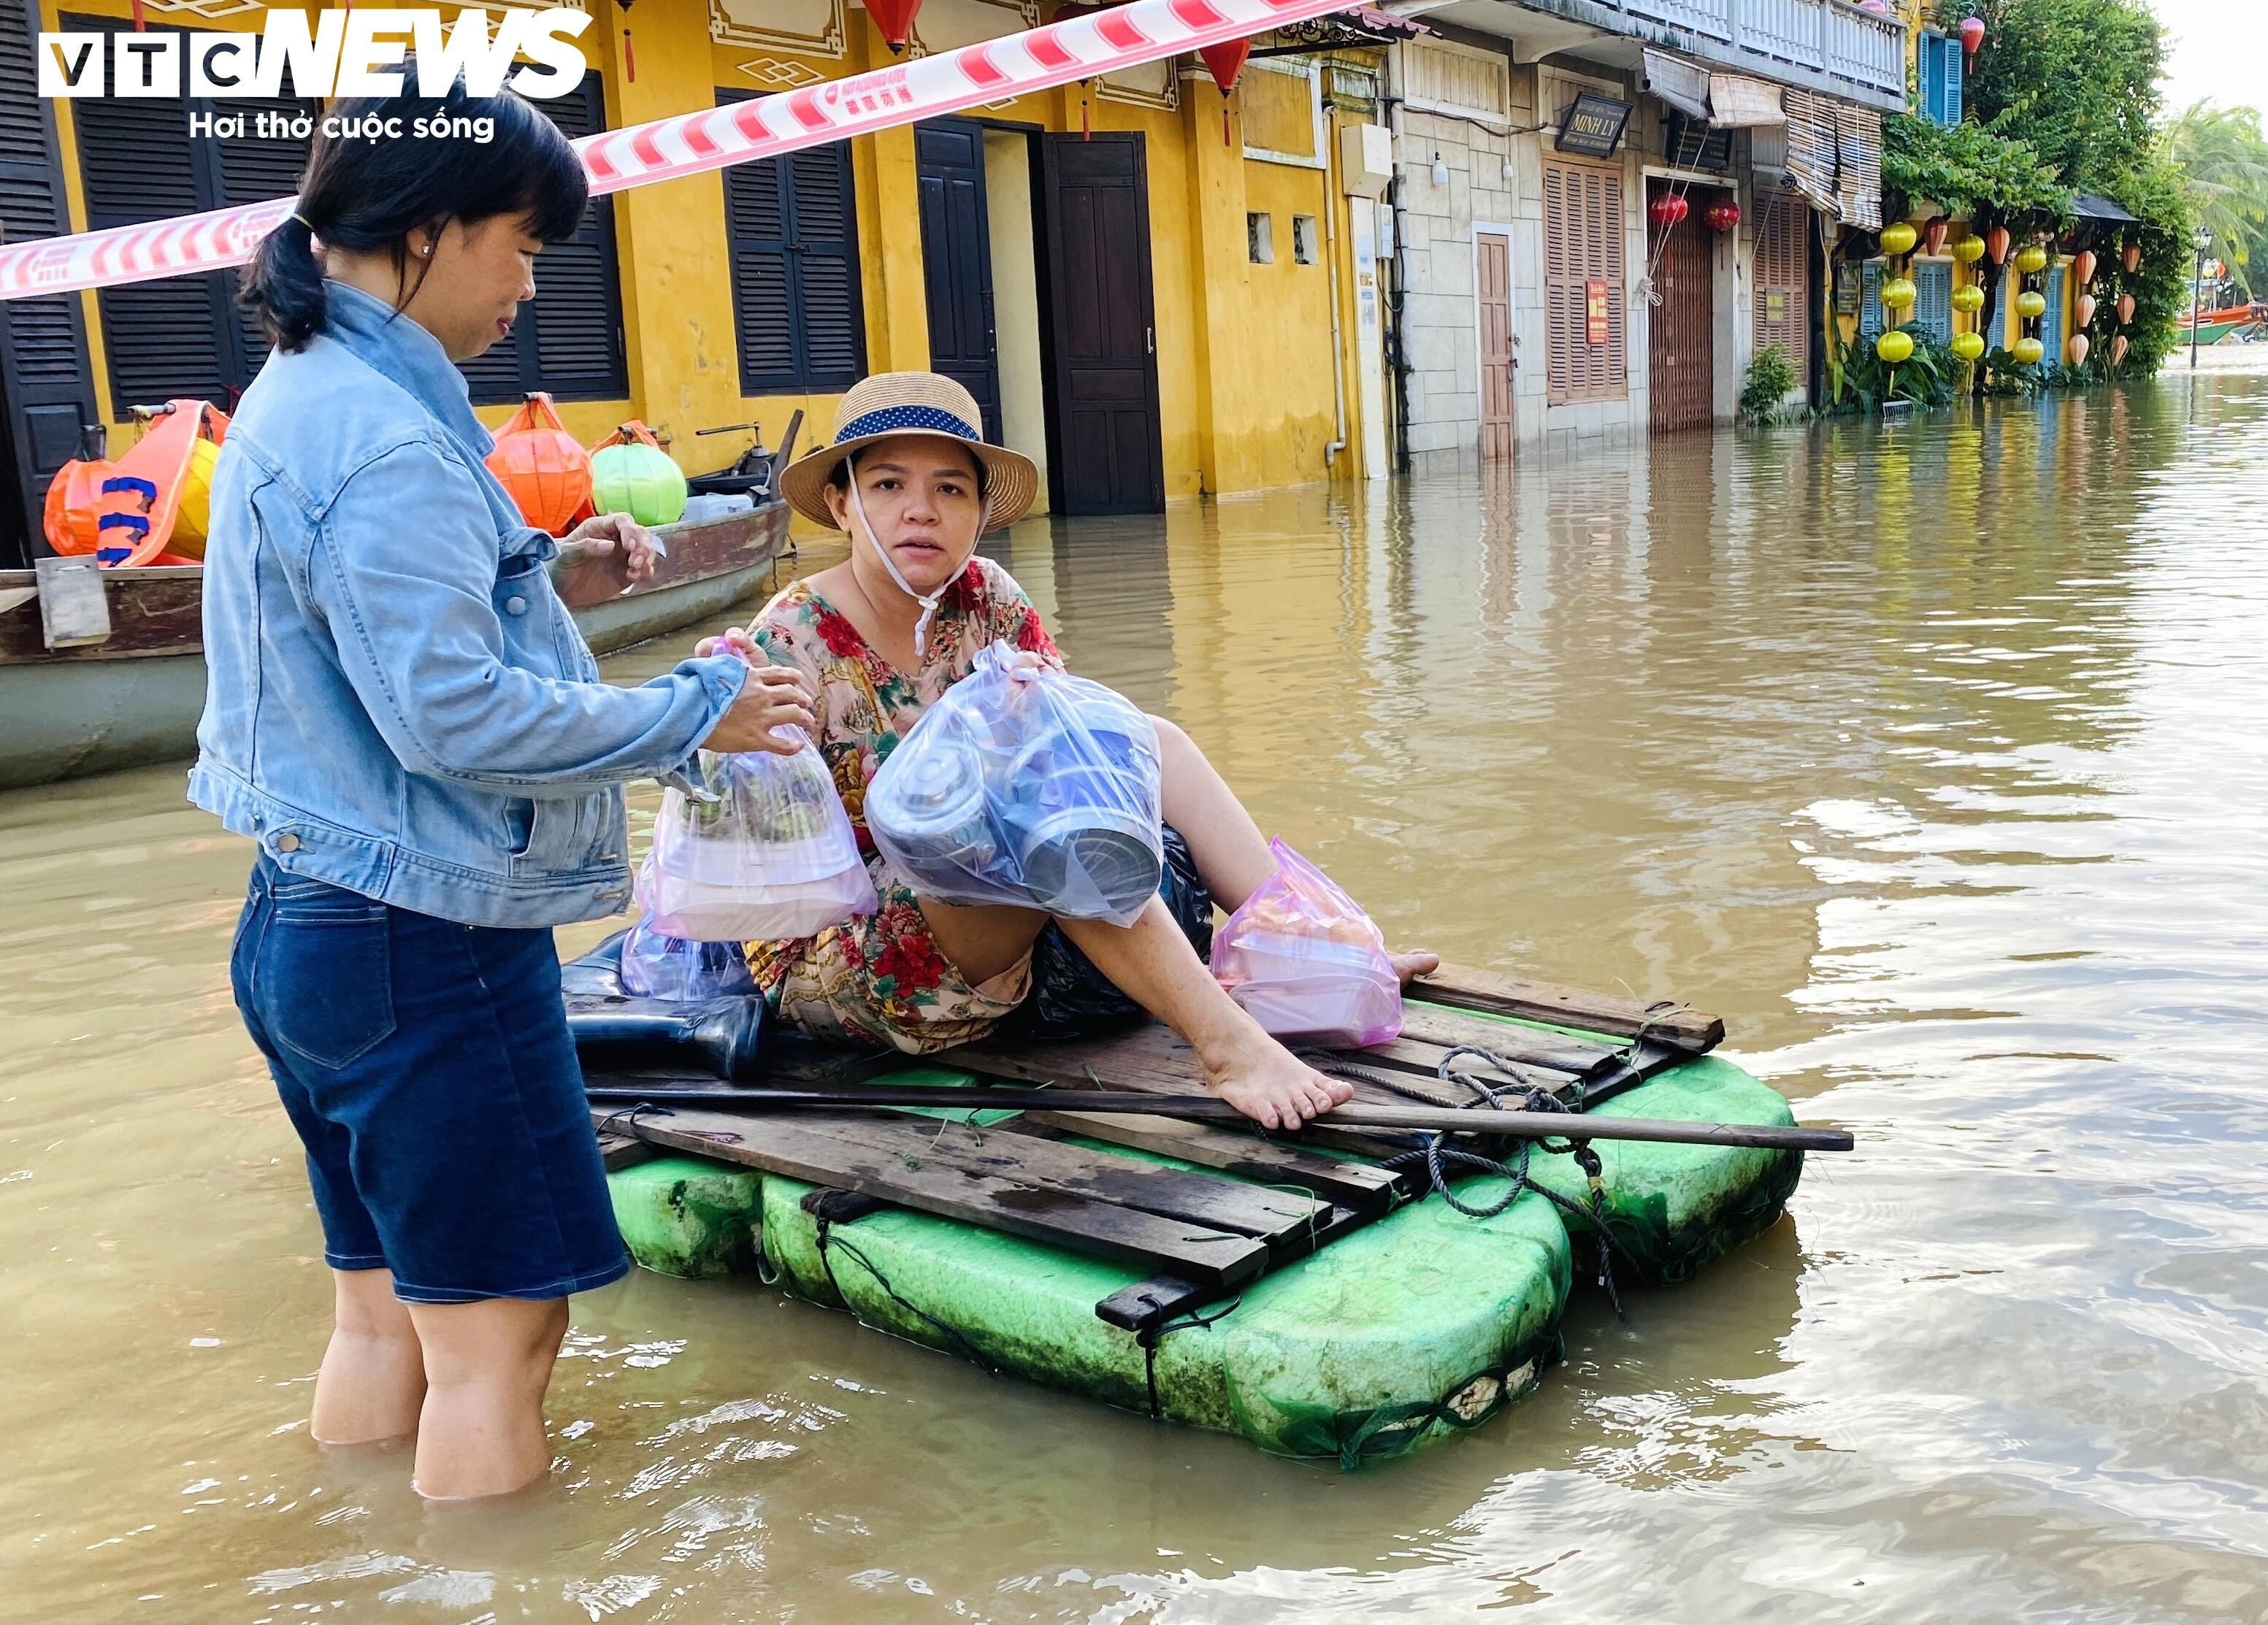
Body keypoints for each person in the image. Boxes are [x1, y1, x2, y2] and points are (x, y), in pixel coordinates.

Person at [191, 74, 816, 1501]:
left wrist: (548, 577)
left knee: (387, 1312)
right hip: (426, 946)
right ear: (430, 226)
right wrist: (693, 714)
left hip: (310, 921)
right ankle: (494, 1581)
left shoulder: (298, 396)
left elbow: (363, 657)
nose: (530, 287)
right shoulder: (397, 439)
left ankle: (361, 1558)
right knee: (501, 1338)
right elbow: (452, 719)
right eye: (522, 247)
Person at [716, 372, 1432, 1128]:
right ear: (842, 504)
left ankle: (1307, 949)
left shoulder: (987, 599)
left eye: (952, 490)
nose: (921, 511)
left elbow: (1079, 755)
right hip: (844, 945)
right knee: (1036, 825)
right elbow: (747, 848)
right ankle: (1228, 1048)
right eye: (889, 484)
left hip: (994, 898)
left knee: (1149, 743)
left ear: (980, 511)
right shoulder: (785, 639)